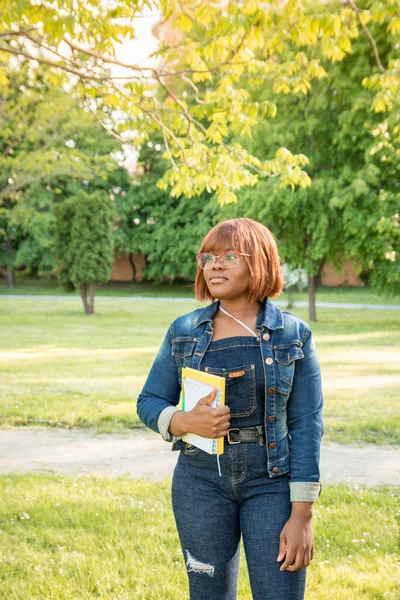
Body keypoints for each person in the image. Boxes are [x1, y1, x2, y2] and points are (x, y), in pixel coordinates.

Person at [136, 217, 324, 600]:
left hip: (272, 485)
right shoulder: (183, 331)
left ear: (261, 263)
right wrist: (184, 420)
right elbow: (149, 401)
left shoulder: (293, 334)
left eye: (229, 256)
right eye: (208, 257)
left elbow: (307, 424)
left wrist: (302, 514)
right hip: (199, 482)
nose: (214, 265)